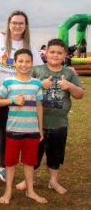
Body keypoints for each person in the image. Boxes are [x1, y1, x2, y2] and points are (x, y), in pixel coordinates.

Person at [16, 39, 84, 194]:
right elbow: (22, 89)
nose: (55, 55)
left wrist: (70, 86)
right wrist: (40, 85)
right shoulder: (36, 70)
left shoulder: (68, 73)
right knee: (33, 153)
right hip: (35, 123)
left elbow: (80, 94)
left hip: (59, 123)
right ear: (45, 53)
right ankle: (29, 179)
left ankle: (53, 181)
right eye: (52, 52)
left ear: (65, 55)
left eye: (59, 53)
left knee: (55, 153)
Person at [0, 10, 44, 187]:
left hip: (17, 98)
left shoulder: (30, 44)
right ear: (9, 23)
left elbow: (39, 68)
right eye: (14, 22)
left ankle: (3, 166)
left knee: (6, 133)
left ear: (26, 26)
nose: (17, 26)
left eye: (21, 23)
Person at [0, 49, 47, 204]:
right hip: (13, 130)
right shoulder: (8, 82)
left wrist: (40, 128)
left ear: (32, 63)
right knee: (10, 163)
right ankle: (8, 191)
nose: (24, 65)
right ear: (15, 63)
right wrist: (12, 100)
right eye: (21, 61)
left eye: (27, 61)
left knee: (29, 162)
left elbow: (39, 106)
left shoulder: (37, 83)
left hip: (32, 131)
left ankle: (30, 191)